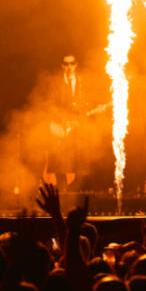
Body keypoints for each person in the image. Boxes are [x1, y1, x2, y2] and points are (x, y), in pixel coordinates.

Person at [45, 54, 85, 190]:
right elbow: (50, 103)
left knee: (78, 160)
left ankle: (76, 191)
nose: (69, 66)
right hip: (60, 125)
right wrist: (62, 119)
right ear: (62, 66)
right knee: (58, 161)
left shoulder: (81, 81)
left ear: (76, 65)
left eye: (72, 63)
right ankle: (61, 190)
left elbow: (85, 101)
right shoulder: (55, 82)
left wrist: (79, 117)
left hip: (76, 126)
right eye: (66, 64)